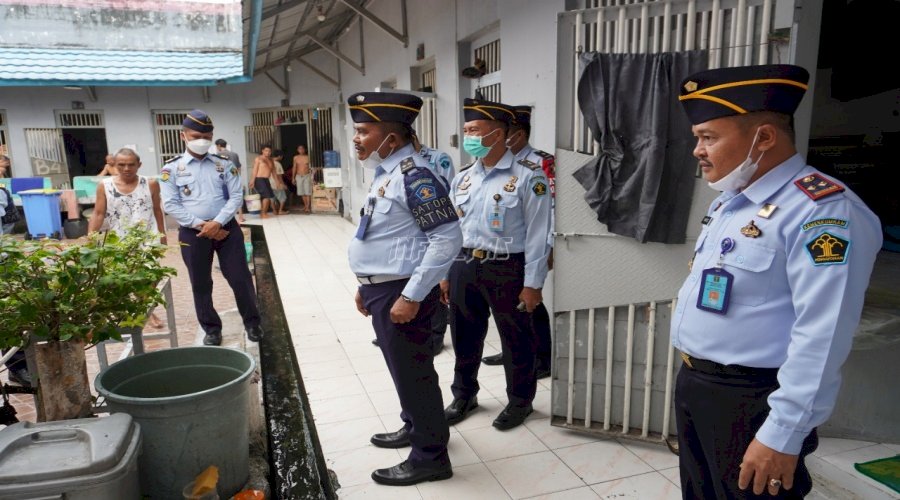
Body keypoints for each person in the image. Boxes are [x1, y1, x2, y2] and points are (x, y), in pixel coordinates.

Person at [671, 64, 882, 499]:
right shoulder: (733, 202)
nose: (698, 150)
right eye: (697, 138)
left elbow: (822, 335)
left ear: (763, 137)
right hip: (698, 384)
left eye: (708, 137)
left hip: (754, 401)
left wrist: (782, 433)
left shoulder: (822, 211)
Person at [347, 91, 462, 486]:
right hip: (386, 288)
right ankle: (416, 427)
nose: (356, 138)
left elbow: (447, 239)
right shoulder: (387, 175)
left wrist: (411, 295)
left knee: (414, 374)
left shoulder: (416, 177)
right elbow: (389, 237)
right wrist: (367, 283)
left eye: (364, 131)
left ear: (390, 139)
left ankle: (430, 457)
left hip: (403, 292)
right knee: (404, 371)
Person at [442, 98, 552, 431]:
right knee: (464, 335)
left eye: (474, 130)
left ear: (498, 133)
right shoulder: (463, 179)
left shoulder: (529, 178)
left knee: (515, 338)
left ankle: (521, 401)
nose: (468, 136)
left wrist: (534, 284)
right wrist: (445, 273)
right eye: (465, 130)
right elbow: (450, 230)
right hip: (464, 265)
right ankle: (464, 395)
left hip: (507, 268)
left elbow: (539, 234)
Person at [159, 109, 264, 346]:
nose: (202, 141)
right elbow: (170, 204)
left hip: (226, 229)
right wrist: (201, 225)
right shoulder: (171, 169)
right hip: (192, 232)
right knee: (200, 282)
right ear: (182, 136)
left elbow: (236, 196)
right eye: (196, 136)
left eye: (207, 136)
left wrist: (216, 223)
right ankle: (211, 329)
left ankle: (252, 323)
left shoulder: (224, 164)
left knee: (240, 277)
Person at [480, 105, 554, 379]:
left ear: (518, 135)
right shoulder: (495, 165)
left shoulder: (541, 162)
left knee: (532, 301)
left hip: (531, 244)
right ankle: (510, 350)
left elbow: (552, 206)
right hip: (502, 247)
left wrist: (551, 245)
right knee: (508, 307)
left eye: (501, 133)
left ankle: (544, 358)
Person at [87, 147, 167, 328]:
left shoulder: (151, 184)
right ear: (113, 165)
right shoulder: (105, 186)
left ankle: (146, 310)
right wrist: (90, 239)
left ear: (139, 165)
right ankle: (138, 312)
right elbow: (98, 213)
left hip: (147, 238)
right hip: (118, 240)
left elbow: (156, 210)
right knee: (120, 279)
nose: (126, 168)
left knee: (150, 277)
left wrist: (162, 235)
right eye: (121, 165)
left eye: (131, 164)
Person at [215, 139, 246, 223]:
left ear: (218, 146)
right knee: (236, 196)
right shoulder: (234, 154)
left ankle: (227, 218)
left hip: (224, 179)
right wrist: (237, 178)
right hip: (234, 176)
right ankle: (241, 217)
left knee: (225, 199)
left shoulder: (218, 155)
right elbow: (237, 168)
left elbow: (219, 170)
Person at [250, 145, 276, 218]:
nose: (268, 152)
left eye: (269, 151)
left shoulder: (271, 160)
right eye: (266, 151)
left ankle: (263, 212)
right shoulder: (258, 159)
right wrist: (252, 180)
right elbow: (255, 170)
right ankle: (263, 213)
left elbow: (274, 172)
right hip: (259, 179)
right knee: (266, 196)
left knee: (269, 196)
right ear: (262, 151)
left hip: (266, 180)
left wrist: (277, 182)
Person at [293, 145, 312, 213]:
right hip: (298, 176)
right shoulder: (295, 157)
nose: (301, 150)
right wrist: (293, 178)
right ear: (297, 150)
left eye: (302, 149)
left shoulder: (308, 157)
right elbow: (294, 168)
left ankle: (307, 207)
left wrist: (313, 177)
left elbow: (311, 168)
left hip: (307, 176)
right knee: (301, 192)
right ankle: (306, 205)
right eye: (299, 149)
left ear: (305, 150)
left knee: (308, 192)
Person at [270, 150, 289, 214]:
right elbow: (279, 176)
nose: (282, 158)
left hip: (269, 183)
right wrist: (283, 184)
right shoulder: (278, 164)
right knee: (283, 198)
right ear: (279, 156)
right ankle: (280, 210)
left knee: (272, 198)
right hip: (276, 183)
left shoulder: (268, 162)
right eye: (282, 156)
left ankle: (274, 211)